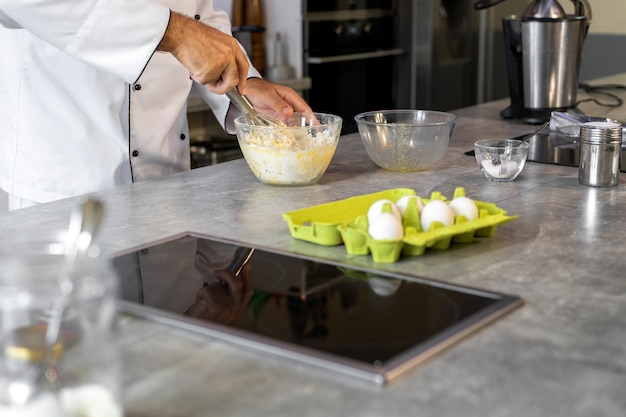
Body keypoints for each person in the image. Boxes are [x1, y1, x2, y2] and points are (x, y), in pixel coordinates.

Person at [0, 0, 312, 211]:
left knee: (175, 309)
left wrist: (245, 84)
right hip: (66, 186)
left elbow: (200, 14)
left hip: (168, 186)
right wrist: (173, 32)